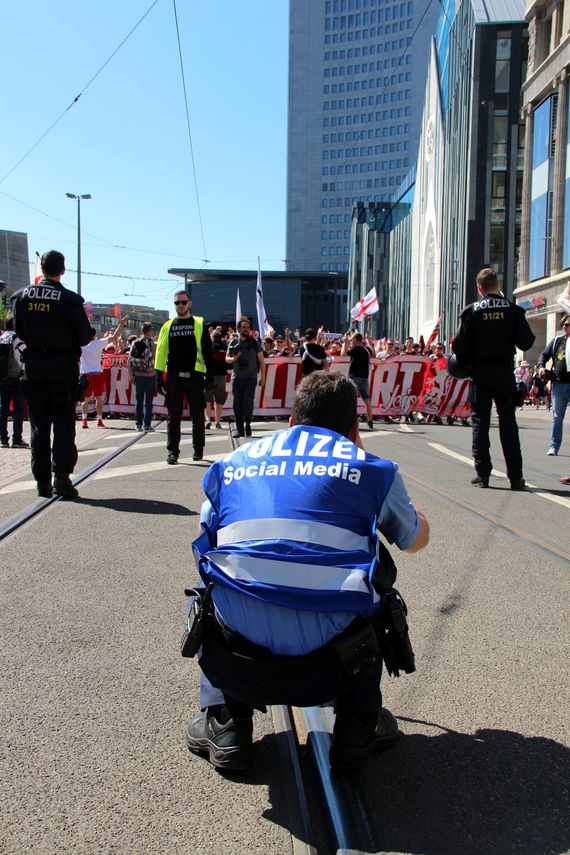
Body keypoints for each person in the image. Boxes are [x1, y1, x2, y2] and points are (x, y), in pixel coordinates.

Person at [185, 371, 429, 771]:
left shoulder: (233, 463)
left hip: (238, 657)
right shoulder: (372, 470)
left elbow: (204, 534)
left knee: (213, 563)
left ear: (292, 422)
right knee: (378, 568)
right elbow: (413, 540)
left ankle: (227, 721)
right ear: (353, 428)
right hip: (335, 666)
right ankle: (358, 723)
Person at [11, 250, 92, 498]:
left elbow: (19, 330)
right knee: (63, 425)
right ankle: (62, 478)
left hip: (34, 368)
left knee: (38, 425)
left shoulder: (22, 297)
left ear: (42, 269)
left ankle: (42, 481)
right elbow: (83, 336)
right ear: (62, 270)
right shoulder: (69, 300)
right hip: (61, 369)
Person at [452, 267, 535, 490]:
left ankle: (483, 475)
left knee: (480, 423)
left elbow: (458, 346)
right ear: (497, 285)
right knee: (508, 423)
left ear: (479, 288)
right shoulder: (513, 310)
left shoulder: (472, 311)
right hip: (505, 374)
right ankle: (516, 478)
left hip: (480, 374)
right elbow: (526, 343)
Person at [154, 290, 213, 463]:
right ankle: (173, 451)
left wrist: (209, 374)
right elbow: (161, 350)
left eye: (183, 302)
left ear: (190, 303)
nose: (180, 305)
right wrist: (158, 375)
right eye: (177, 303)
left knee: (197, 415)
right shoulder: (168, 325)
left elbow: (208, 351)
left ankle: (198, 449)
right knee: (173, 415)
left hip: (194, 375)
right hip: (173, 376)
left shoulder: (199, 323)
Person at [80, 315, 128, 428]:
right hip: (97, 373)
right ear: (95, 335)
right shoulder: (99, 343)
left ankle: (84, 420)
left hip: (86, 375)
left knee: (85, 399)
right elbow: (115, 336)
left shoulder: (81, 345)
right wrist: (121, 324)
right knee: (99, 398)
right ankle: (100, 420)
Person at [226, 317, 265, 438]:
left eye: (248, 327)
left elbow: (262, 361)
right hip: (237, 378)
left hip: (251, 378)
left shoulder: (254, 343)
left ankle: (247, 423)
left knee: (247, 402)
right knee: (237, 404)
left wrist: (263, 377)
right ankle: (239, 429)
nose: (246, 329)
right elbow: (227, 359)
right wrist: (235, 358)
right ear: (238, 329)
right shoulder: (233, 343)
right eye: (243, 327)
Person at [537, 313, 570, 457]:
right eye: (562, 325)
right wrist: (541, 366)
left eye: (567, 325)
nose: (564, 327)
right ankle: (553, 446)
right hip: (559, 383)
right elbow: (543, 355)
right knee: (557, 417)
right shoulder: (557, 341)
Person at [0, 315, 28, 449]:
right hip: (17, 378)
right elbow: (25, 358)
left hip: (2, 378)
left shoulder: (1, 337)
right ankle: (17, 438)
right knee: (18, 410)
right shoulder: (18, 339)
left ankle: (2, 439)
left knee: (3, 410)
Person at [342, 331, 374, 430]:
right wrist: (369, 341)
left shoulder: (355, 349)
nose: (351, 341)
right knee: (367, 400)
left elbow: (343, 354)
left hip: (354, 377)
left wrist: (345, 343)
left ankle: (352, 421)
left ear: (356, 340)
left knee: (352, 400)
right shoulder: (366, 349)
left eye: (353, 339)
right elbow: (372, 353)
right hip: (364, 378)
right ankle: (370, 421)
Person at [127, 322, 156, 431]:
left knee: (139, 401)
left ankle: (138, 424)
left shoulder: (135, 342)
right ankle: (147, 425)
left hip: (138, 375)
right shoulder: (153, 344)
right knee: (149, 402)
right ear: (150, 331)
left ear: (142, 331)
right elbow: (156, 360)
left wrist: (131, 375)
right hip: (150, 375)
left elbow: (129, 360)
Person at [205, 331, 227, 430]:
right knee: (219, 401)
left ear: (212, 338)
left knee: (207, 399)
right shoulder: (225, 348)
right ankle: (217, 421)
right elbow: (229, 363)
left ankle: (208, 419)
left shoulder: (209, 348)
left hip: (210, 377)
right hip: (222, 377)